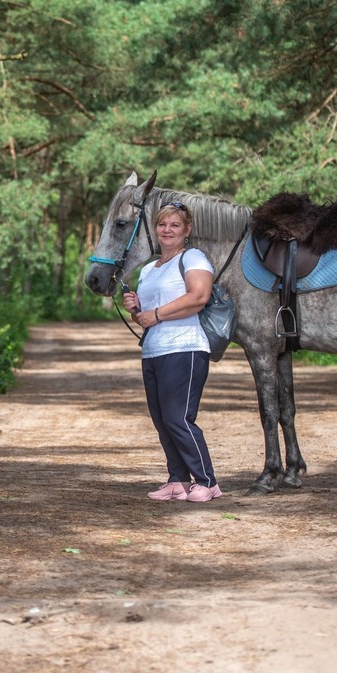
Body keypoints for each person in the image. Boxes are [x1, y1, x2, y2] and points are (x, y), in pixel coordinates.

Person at [121, 201, 223, 503]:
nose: (167, 230)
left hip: (185, 347)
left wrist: (158, 314)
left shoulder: (193, 258)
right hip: (153, 351)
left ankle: (207, 481)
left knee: (179, 417)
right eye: (163, 224)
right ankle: (178, 480)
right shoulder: (150, 269)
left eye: (175, 225)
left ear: (186, 230)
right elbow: (146, 317)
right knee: (162, 419)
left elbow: (199, 297)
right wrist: (136, 309)